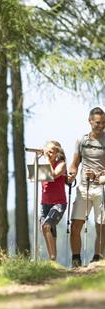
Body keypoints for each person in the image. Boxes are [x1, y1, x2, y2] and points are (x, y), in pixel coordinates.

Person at [68, 107, 105, 267]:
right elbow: (75, 164)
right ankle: (76, 259)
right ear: (90, 121)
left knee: (101, 226)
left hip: (101, 188)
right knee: (76, 224)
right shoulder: (82, 140)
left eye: (103, 122)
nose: (101, 125)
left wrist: (97, 176)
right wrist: (71, 174)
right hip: (83, 188)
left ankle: (97, 258)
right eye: (98, 122)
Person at [39, 141, 67, 261]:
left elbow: (52, 175)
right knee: (47, 230)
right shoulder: (43, 163)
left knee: (47, 226)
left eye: (51, 152)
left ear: (57, 153)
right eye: (47, 151)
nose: (49, 154)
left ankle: (52, 258)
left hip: (58, 203)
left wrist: (46, 159)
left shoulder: (61, 164)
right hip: (44, 202)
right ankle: (53, 259)